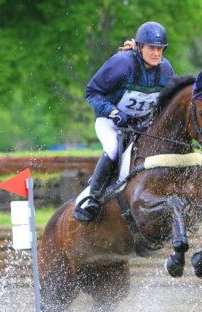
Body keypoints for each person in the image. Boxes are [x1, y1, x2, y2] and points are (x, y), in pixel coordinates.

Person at [73, 21, 175, 222]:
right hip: (110, 122)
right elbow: (92, 92)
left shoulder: (166, 70)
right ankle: (93, 198)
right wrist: (112, 111)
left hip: (141, 126)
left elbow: (169, 101)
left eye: (160, 49)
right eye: (151, 48)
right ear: (139, 47)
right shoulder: (122, 63)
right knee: (112, 149)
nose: (156, 53)